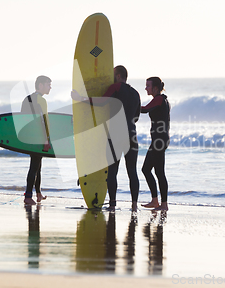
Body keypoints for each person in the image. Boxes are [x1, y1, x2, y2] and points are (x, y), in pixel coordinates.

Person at [71, 66, 141, 211]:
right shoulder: (136, 93)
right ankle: (134, 205)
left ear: (119, 76)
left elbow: (101, 102)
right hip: (132, 134)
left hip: (116, 133)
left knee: (112, 171)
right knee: (132, 171)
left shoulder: (115, 87)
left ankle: (113, 205)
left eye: (113, 74)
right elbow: (137, 116)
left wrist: (81, 98)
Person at [21, 75, 52, 205]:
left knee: (37, 165)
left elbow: (22, 119)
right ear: (40, 85)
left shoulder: (26, 99)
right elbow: (45, 122)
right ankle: (28, 196)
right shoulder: (41, 101)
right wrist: (47, 139)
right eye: (48, 84)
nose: (50, 87)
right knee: (34, 166)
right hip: (39, 138)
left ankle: (38, 193)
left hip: (29, 137)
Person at [141, 77, 170, 211]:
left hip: (159, 140)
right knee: (155, 171)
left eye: (148, 86)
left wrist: (130, 105)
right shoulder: (162, 99)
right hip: (160, 139)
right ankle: (157, 202)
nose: (146, 88)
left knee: (150, 170)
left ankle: (161, 203)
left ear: (155, 88)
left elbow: (145, 109)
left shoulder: (159, 99)